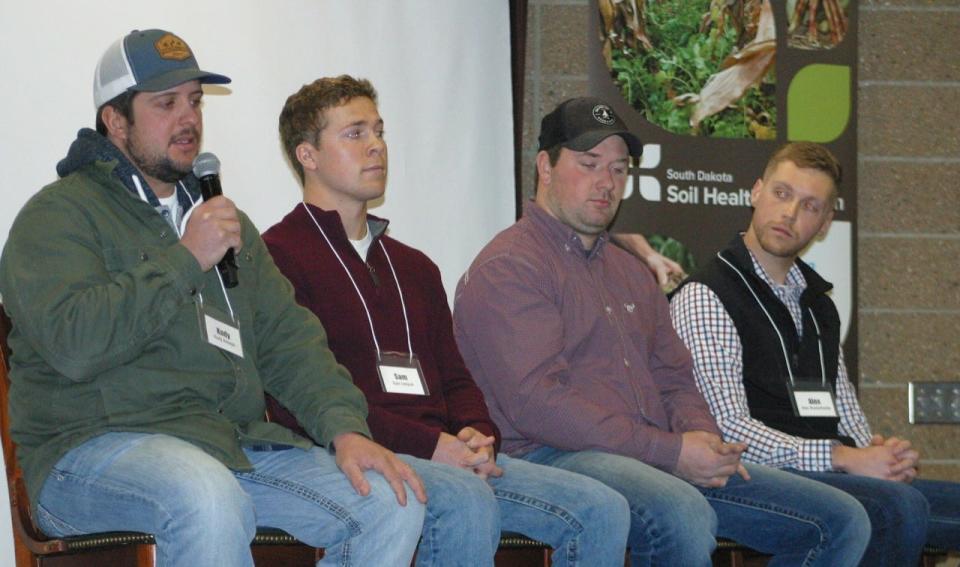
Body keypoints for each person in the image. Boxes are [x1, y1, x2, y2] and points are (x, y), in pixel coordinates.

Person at [0, 29, 426, 567]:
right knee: (204, 493)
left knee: (388, 499)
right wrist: (185, 259)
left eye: (196, 101)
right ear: (115, 120)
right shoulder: (58, 216)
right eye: (166, 103)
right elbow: (74, 344)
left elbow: (289, 341)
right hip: (88, 453)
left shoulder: (226, 224)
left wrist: (344, 429)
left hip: (224, 444)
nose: (189, 119)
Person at [453, 97, 872, 567]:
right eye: (589, 164)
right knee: (679, 510)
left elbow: (675, 375)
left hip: (649, 457)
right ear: (545, 168)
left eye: (618, 170)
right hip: (552, 455)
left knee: (839, 518)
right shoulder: (511, 266)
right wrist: (671, 451)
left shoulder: (629, 271)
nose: (605, 183)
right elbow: (539, 405)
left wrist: (700, 438)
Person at [261, 75, 631, 567]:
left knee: (600, 508)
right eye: (355, 134)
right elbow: (294, 398)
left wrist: (478, 433)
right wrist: (431, 446)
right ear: (307, 155)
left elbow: (456, 378)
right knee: (463, 498)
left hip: (446, 455)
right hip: (355, 453)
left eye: (380, 131)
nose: (376, 146)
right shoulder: (276, 257)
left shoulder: (414, 266)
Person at [669, 141, 960, 566]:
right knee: (897, 509)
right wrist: (843, 457)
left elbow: (843, 409)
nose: (789, 213)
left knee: (913, 497)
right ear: (755, 193)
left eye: (809, 206)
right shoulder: (707, 294)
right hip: (747, 478)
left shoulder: (819, 302)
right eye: (781, 194)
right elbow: (726, 431)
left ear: (824, 223)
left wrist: (881, 456)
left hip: (827, 473)